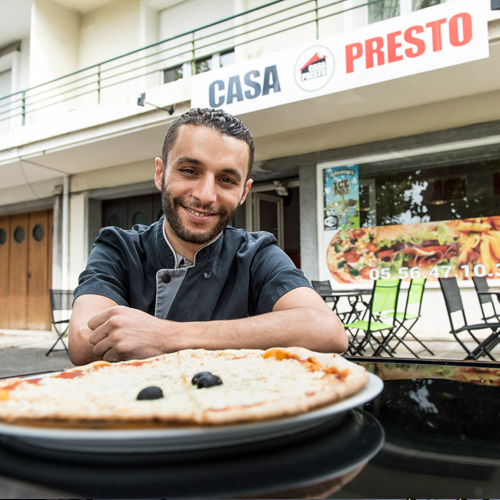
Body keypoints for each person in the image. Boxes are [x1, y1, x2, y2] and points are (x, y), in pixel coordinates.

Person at [69, 108, 347, 365]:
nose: (205, 195)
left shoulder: (256, 254)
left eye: (226, 180)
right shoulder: (118, 247)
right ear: (160, 173)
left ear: (244, 193)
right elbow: (83, 341)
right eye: (189, 171)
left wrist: (167, 336)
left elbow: (327, 330)